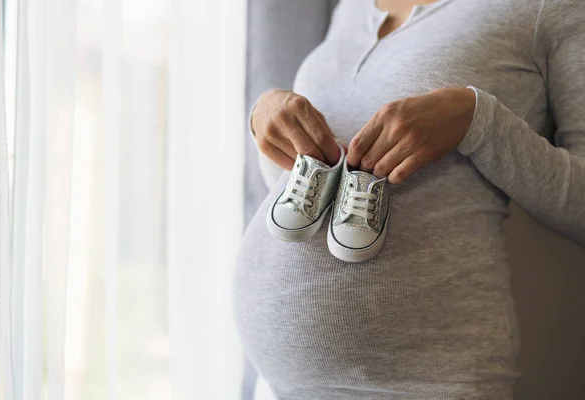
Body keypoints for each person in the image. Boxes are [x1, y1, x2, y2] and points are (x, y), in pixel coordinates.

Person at [232, 0, 585, 398]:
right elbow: (295, 187)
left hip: (423, 381)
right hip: (280, 386)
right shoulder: (351, 7)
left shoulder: (551, 7)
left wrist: (478, 120)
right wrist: (266, 120)